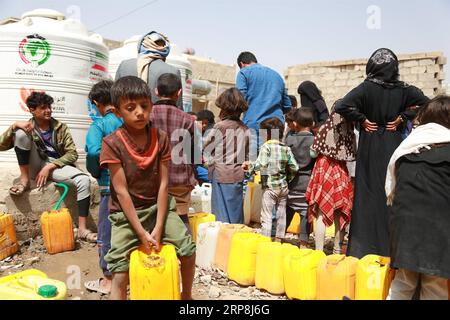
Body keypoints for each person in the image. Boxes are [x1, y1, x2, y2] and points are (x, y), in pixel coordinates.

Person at [100, 76, 196, 300]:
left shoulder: (160, 137)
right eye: (131, 108)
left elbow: (164, 185)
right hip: (125, 214)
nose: (139, 113)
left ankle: (187, 296)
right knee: (119, 270)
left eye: (144, 106)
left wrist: (159, 225)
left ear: (151, 105)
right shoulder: (112, 143)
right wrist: (142, 233)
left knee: (188, 250)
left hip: (158, 207)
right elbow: (121, 193)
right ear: (117, 112)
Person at [335, 48, 430, 259]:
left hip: (370, 145)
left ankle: (365, 248)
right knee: (391, 192)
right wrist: (403, 117)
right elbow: (427, 103)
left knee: (368, 192)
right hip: (393, 143)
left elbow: (342, 105)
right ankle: (391, 248)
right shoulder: (404, 89)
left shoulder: (367, 87)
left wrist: (361, 119)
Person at [0, 92, 96, 242]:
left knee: (84, 181)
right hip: (35, 165)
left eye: (49, 107)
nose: (48, 110)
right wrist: (14, 125)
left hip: (55, 166)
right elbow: (1, 145)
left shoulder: (60, 127)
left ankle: (83, 229)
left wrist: (50, 166)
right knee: (20, 134)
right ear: (32, 110)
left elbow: (72, 154)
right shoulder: (28, 126)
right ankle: (24, 181)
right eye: (43, 107)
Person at [385, 96, 450, 300]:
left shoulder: (407, 148)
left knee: (404, 281)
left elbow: (393, 188)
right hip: (438, 228)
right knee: (435, 283)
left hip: (404, 226)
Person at [84, 80, 123, 295]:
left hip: (110, 188)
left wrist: (96, 172)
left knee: (106, 234)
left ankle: (108, 281)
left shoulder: (99, 125)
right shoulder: (127, 122)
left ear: (96, 103)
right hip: (133, 188)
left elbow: (92, 153)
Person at [149, 73, 198, 232]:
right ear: (179, 93)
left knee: (152, 219)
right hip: (180, 180)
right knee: (181, 219)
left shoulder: (146, 115)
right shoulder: (188, 119)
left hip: (151, 179)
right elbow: (194, 154)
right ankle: (185, 255)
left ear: (156, 91)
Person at [306, 102, 356, 254]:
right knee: (340, 212)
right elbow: (353, 155)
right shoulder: (350, 131)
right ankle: (337, 250)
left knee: (322, 210)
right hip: (341, 170)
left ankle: (319, 251)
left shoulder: (325, 128)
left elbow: (313, 153)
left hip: (324, 167)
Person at [242, 117, 299, 241]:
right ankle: (279, 239)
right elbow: (294, 167)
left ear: (267, 133)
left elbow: (261, 164)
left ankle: (266, 240)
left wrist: (250, 166)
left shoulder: (266, 147)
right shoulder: (286, 148)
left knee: (266, 215)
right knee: (281, 214)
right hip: (283, 187)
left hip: (270, 187)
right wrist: (287, 178)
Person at [204, 88, 249, 224]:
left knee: (221, 214)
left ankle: (224, 242)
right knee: (235, 212)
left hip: (221, 173)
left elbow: (206, 147)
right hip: (238, 174)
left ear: (224, 109)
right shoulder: (245, 128)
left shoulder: (220, 127)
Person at [236, 52, 292, 148]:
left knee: (252, 161)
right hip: (275, 127)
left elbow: (240, 99)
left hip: (253, 126)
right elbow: (287, 106)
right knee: (272, 160)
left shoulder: (243, 73)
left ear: (242, 64)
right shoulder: (277, 76)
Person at [115, 31, 183, 109]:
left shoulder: (124, 65)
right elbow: (178, 107)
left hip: (125, 119)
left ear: (141, 45)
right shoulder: (173, 71)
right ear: (165, 49)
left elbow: (114, 97)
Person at [285, 108, 316, 247]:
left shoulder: (290, 140)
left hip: (290, 183)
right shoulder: (315, 141)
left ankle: (278, 237)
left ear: (295, 123)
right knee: (305, 214)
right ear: (313, 123)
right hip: (307, 183)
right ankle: (303, 242)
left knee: (286, 210)